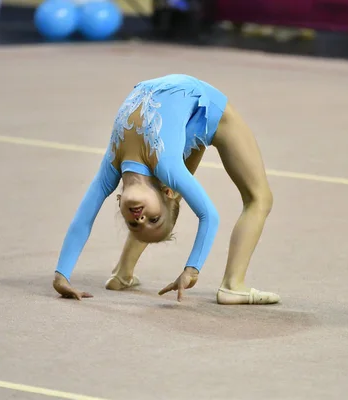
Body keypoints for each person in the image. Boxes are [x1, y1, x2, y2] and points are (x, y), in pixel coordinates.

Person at [52, 74, 279, 305]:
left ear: (118, 200)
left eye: (133, 224)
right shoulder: (166, 166)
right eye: (153, 219)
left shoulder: (112, 168)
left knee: (171, 200)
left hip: (191, 109)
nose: (140, 219)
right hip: (207, 109)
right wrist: (192, 269)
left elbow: (83, 219)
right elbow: (209, 216)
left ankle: (123, 272)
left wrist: (62, 274)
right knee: (260, 198)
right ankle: (233, 286)